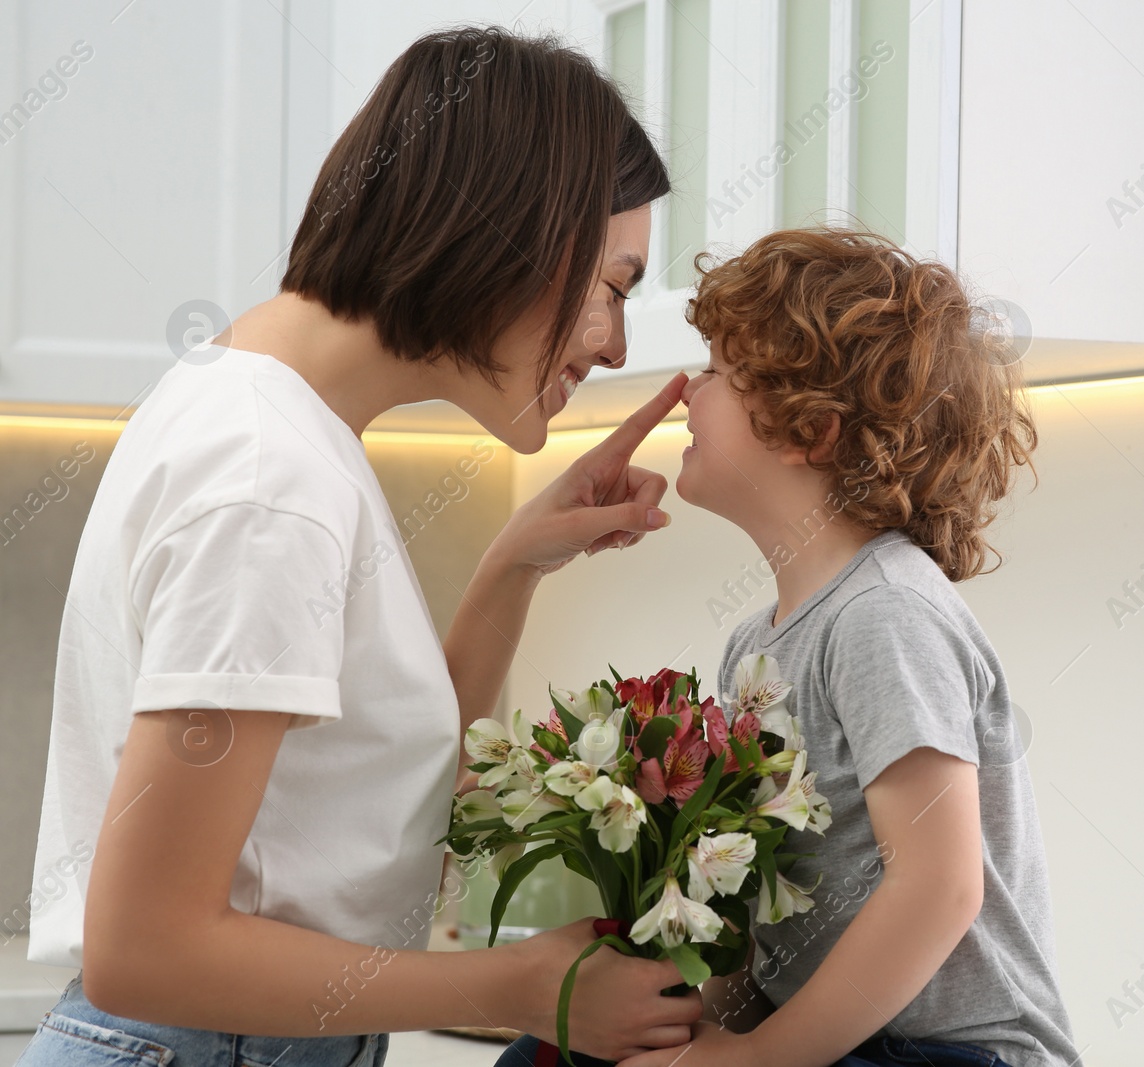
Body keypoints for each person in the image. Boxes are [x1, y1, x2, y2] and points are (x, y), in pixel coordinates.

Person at [18, 25, 702, 1067]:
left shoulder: (272, 418)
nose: (614, 342)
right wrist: (523, 985)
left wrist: (513, 562)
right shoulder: (270, 479)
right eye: (614, 285)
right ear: (517, 230)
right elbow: (144, 948)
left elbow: (367, 817)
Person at [501, 227, 1084, 1067]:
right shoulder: (755, 644)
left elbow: (939, 886)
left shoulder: (884, 614)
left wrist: (743, 1061)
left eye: (715, 374)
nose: (685, 395)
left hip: (958, 1056)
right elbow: (771, 921)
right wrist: (687, 1018)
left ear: (809, 429)